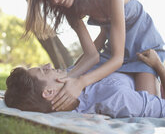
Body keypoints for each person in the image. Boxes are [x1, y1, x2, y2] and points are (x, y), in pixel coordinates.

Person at [24, 0, 165, 111]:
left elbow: (118, 59)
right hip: (113, 51)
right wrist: (68, 78)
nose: (54, 0)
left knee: (147, 109)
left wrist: (81, 82)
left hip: (144, 52)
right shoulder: (69, 7)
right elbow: (92, 55)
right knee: (75, 75)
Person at [4, 50, 165, 117]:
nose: (48, 65)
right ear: (49, 92)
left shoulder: (69, 77)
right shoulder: (114, 98)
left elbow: (93, 53)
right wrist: (158, 66)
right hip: (148, 72)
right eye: (44, 71)